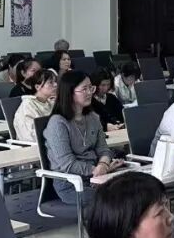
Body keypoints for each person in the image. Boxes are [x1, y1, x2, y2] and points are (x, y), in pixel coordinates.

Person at [43, 70, 126, 205]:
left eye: (90, 88)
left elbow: (104, 150)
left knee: (133, 189)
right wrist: (97, 170)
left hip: (97, 176)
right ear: (69, 93)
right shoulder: (57, 123)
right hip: (72, 184)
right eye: (84, 89)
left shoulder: (93, 117)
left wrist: (103, 165)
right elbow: (67, 163)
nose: (89, 93)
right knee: (117, 198)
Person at [13, 68, 57, 144]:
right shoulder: (27, 106)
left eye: (55, 81)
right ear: (37, 87)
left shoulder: (50, 103)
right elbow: (29, 136)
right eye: (50, 82)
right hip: (35, 146)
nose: (55, 85)